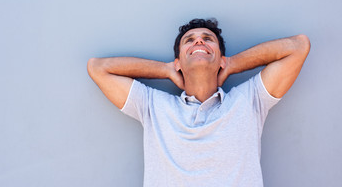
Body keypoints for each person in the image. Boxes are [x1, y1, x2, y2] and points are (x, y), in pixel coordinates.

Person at [87, 18, 310, 187]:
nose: (199, 41)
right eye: (190, 41)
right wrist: (165, 70)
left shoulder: (249, 100)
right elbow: (98, 68)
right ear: (178, 62)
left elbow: (298, 46)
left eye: (207, 39)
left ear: (221, 58)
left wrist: (232, 63)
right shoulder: (153, 106)